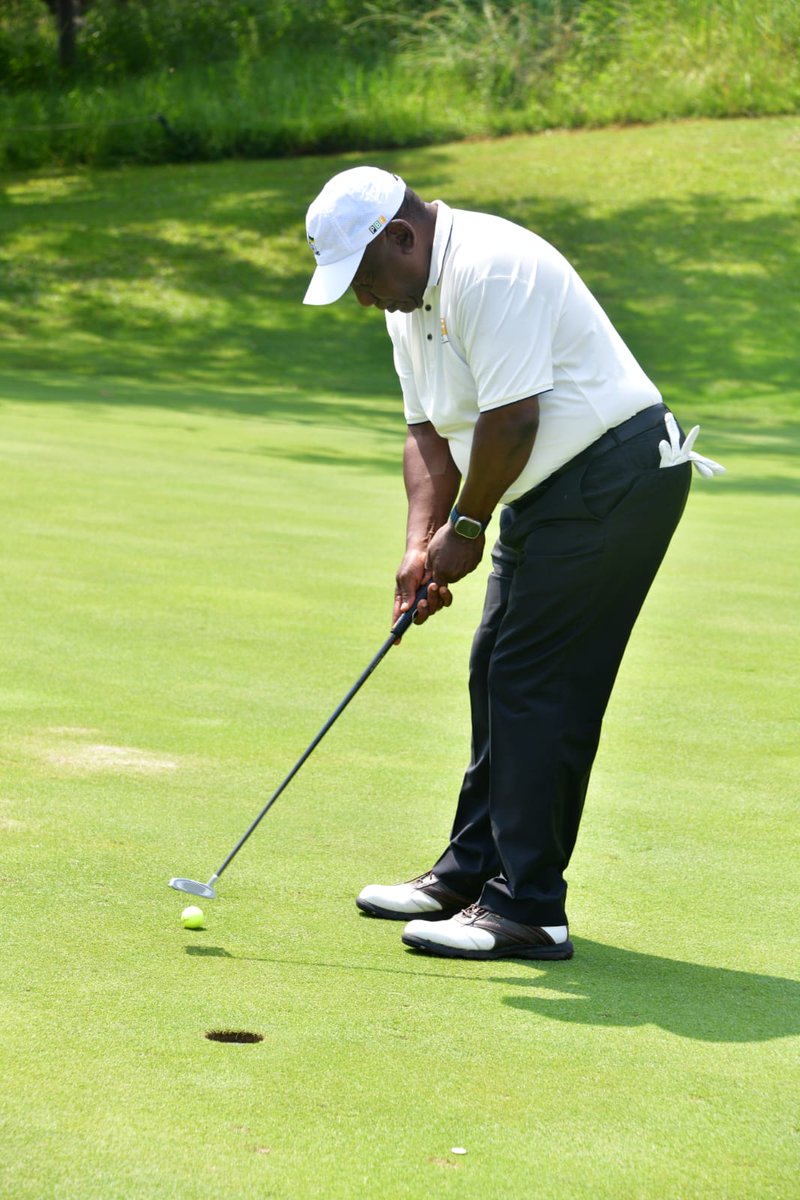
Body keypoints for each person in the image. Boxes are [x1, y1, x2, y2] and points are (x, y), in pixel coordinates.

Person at [302, 166, 723, 961]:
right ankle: (470, 873)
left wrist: (464, 530)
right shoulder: (407, 302)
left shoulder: (487, 268)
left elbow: (513, 417)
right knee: (496, 665)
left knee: (536, 682)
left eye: (363, 276)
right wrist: (419, 545)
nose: (362, 298)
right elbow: (429, 434)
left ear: (401, 236)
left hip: (616, 477)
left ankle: (529, 907)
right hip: (552, 489)